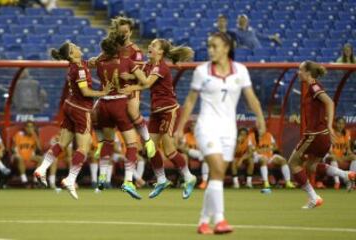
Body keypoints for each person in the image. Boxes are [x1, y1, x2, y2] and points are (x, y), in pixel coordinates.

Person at [174, 32, 266, 234]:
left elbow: (251, 98)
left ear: (226, 47)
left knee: (217, 175)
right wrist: (180, 128)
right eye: (209, 46)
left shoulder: (240, 71)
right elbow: (190, 101)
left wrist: (260, 118)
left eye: (214, 46)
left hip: (229, 130)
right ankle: (220, 219)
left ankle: (203, 221)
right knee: (216, 169)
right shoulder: (201, 71)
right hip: (206, 127)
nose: (210, 50)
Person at [121, 38, 197, 199]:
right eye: (150, 44)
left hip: (168, 111)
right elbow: (141, 77)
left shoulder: (160, 66)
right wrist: (129, 75)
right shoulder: (149, 65)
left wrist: (132, 85)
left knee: (169, 150)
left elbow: (147, 83)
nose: (150, 46)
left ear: (161, 52)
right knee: (150, 148)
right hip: (156, 111)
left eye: (154, 45)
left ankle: (189, 177)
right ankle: (162, 179)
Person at [34, 42, 111, 199]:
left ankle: (41, 169)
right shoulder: (80, 69)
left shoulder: (77, 65)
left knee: (61, 143)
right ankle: (70, 179)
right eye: (75, 47)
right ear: (71, 54)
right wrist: (103, 92)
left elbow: (91, 62)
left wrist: (105, 55)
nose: (78, 47)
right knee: (84, 147)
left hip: (69, 105)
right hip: (80, 109)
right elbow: (85, 91)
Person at [288, 61, 355, 209]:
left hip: (315, 135)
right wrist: (299, 120)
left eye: (300, 70)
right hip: (320, 135)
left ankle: (314, 197)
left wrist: (330, 125)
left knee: (293, 163)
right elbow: (315, 115)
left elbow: (330, 103)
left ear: (308, 73)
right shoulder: (310, 89)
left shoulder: (314, 87)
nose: (298, 72)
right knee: (311, 166)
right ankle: (345, 175)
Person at [94, 36, 149, 199]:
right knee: (132, 145)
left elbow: (96, 60)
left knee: (107, 143)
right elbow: (145, 81)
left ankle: (102, 177)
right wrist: (132, 82)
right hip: (119, 104)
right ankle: (128, 181)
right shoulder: (127, 62)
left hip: (104, 105)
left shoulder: (99, 63)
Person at [325, 117, 356, 189]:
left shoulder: (346, 133)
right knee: (333, 158)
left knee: (354, 157)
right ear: (335, 124)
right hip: (330, 156)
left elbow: (348, 150)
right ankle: (337, 182)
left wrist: (351, 154)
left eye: (342, 124)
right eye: (339, 123)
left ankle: (351, 180)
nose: (340, 125)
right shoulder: (331, 133)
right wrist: (338, 158)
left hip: (340, 157)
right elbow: (330, 151)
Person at [13, 121, 42, 186]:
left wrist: (34, 135)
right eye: (28, 126)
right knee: (19, 158)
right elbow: (13, 147)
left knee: (41, 159)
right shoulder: (19, 134)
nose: (30, 128)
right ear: (25, 128)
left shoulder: (34, 136)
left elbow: (40, 149)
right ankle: (24, 181)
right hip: (19, 155)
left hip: (29, 156)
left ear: (34, 128)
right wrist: (16, 153)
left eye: (31, 127)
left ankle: (35, 180)